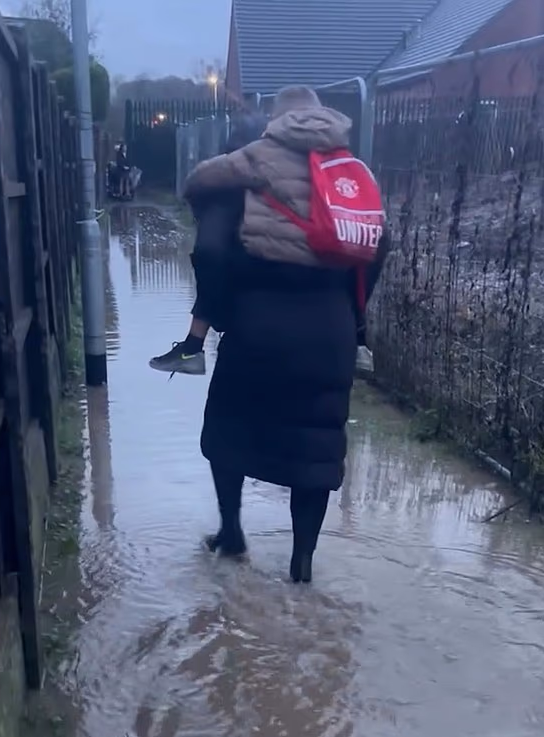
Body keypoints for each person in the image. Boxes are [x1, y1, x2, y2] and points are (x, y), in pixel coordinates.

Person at [181, 85, 387, 583]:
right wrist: (354, 317)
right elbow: (379, 245)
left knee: (229, 432)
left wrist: (220, 310)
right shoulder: (348, 172)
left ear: (275, 120)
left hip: (259, 327)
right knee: (316, 446)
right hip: (331, 331)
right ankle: (302, 566)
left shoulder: (253, 161)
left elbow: (206, 232)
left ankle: (231, 536)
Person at [149, 112, 268, 376]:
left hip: (246, 316)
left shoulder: (224, 192)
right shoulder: (305, 182)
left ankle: (192, 348)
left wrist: (212, 318)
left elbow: (209, 252)